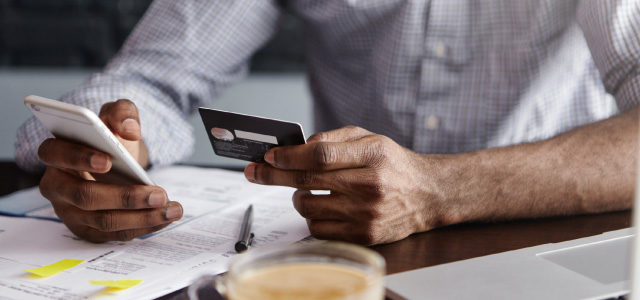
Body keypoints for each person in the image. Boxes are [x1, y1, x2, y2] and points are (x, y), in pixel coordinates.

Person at [15, 0, 640, 245]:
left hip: (550, 241)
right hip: (337, 253)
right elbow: (152, 78)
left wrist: (439, 190)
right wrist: (115, 143)